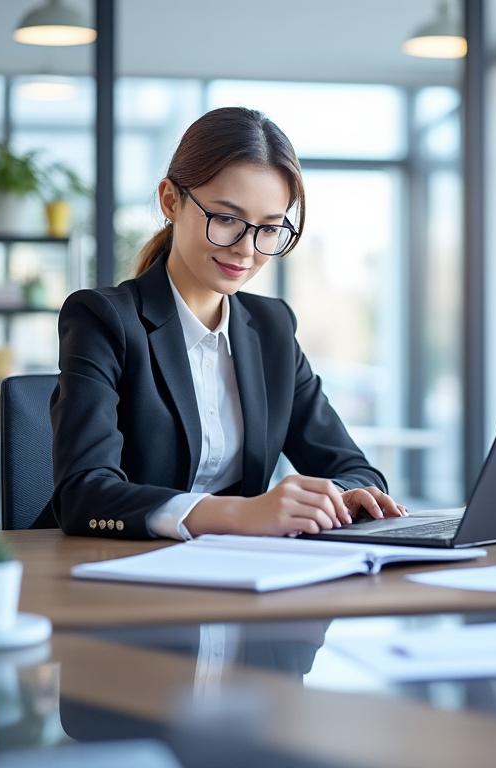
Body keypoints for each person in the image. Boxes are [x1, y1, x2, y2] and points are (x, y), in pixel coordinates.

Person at [44, 106, 406, 539]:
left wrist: (342, 497)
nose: (246, 250)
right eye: (227, 219)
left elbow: (354, 469)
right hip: (108, 564)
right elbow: (84, 495)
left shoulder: (271, 328)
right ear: (170, 201)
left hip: (239, 569)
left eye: (268, 228)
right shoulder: (104, 320)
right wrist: (240, 514)